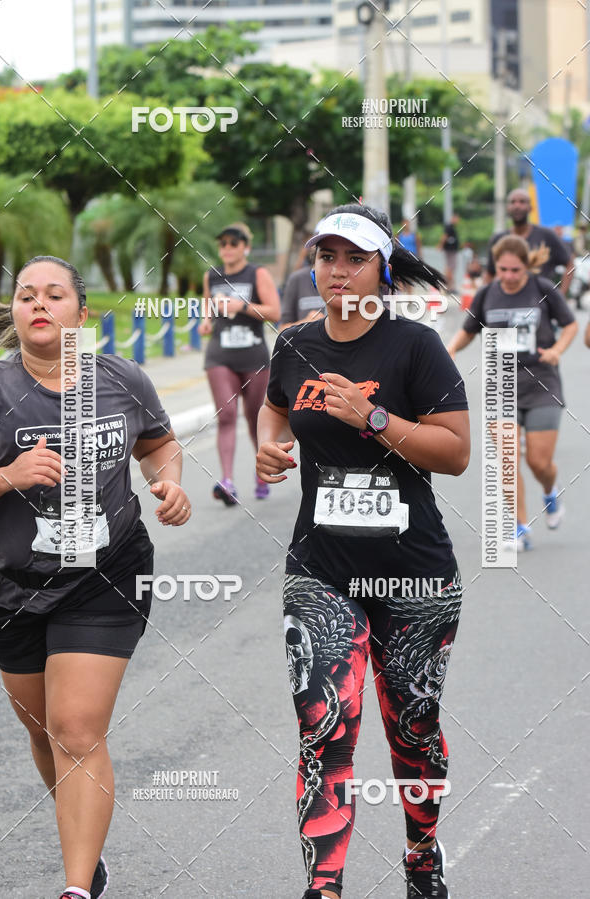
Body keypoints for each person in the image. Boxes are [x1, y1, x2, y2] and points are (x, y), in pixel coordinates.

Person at [256, 204, 470, 899]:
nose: (338, 271)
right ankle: (324, 888)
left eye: (354, 258)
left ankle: (421, 852)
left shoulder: (415, 347)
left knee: (413, 725)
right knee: (324, 725)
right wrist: (269, 441)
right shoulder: (293, 344)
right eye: (326, 257)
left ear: (382, 266)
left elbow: (456, 452)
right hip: (321, 569)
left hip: (414, 575)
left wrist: (374, 418)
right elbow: (277, 403)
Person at [0, 255, 191, 899]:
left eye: (54, 295)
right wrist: (8, 477)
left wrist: (168, 482)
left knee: (76, 726)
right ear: (16, 312)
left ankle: (78, 887)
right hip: (12, 583)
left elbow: (158, 442)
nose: (39, 304)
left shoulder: (121, 378)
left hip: (106, 572)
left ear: (82, 312)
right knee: (44, 729)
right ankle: (87, 840)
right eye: (26, 296)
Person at [447, 235, 578, 550]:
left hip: (542, 384)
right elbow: (467, 332)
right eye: (503, 269)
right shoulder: (486, 294)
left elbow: (570, 325)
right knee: (507, 460)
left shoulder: (543, 289)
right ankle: (520, 527)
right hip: (501, 386)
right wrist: (446, 353)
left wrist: (558, 349)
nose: (508, 276)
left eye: (515, 270)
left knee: (538, 461)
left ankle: (550, 490)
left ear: (526, 267)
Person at [198, 222, 281, 504]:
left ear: (245, 246)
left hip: (253, 356)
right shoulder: (211, 275)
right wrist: (206, 323)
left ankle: (262, 473)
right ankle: (227, 481)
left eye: (234, 243)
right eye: (223, 244)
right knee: (226, 415)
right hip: (220, 354)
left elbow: (274, 311)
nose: (228, 249)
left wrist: (241, 306)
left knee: (255, 418)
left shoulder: (256, 273)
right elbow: (208, 310)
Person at [485, 188, 574, 293]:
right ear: (508, 208)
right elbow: (489, 274)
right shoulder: (498, 239)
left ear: (530, 208)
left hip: (541, 303)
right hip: (508, 303)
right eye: (513, 202)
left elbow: (570, 265)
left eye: (522, 202)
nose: (517, 206)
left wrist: (560, 296)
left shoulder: (547, 236)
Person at [279, 257, 326, 331]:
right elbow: (282, 330)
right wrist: (306, 323)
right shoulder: (297, 279)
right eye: (326, 257)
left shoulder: (346, 279)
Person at [396, 220, 423, 294]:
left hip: (411, 258)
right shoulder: (399, 235)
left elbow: (418, 246)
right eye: (404, 223)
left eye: (407, 223)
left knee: (409, 279)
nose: (406, 225)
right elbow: (396, 246)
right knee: (400, 278)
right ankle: (400, 295)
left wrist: (419, 258)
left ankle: (410, 297)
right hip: (402, 258)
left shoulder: (414, 235)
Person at [437, 215, 460, 292]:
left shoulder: (452, 227)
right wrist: (440, 245)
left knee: (450, 268)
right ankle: (449, 286)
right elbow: (444, 236)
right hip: (450, 250)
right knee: (450, 268)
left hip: (452, 250)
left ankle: (449, 286)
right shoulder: (449, 227)